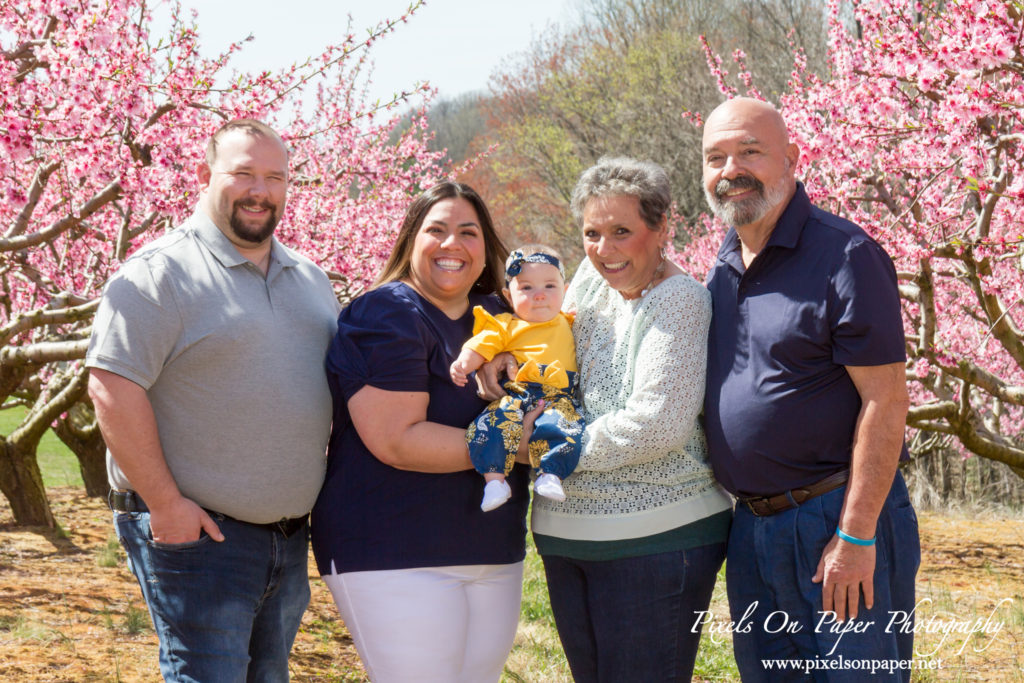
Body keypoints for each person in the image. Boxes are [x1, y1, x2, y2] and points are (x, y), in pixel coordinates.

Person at [86, 119, 340, 681]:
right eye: (243, 173)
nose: (261, 190)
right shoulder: (160, 273)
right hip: (199, 540)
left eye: (275, 177)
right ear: (204, 175)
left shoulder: (311, 280)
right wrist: (167, 504)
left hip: (288, 538)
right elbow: (111, 386)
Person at [480, 157, 733, 682]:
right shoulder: (589, 285)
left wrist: (537, 448)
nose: (604, 249)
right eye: (592, 233)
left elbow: (656, 424)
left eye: (622, 231)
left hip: (657, 537)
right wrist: (507, 353)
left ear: (661, 227)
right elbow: (552, 347)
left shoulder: (680, 302)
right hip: (567, 533)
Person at [701, 97, 920, 680]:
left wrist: (855, 534)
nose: (731, 170)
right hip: (750, 530)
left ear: (793, 160)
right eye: (715, 157)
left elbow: (887, 399)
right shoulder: (720, 267)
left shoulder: (845, 255)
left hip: (833, 519)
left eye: (750, 151)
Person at [311, 181, 531, 683]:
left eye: (468, 232)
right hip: (393, 550)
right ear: (411, 238)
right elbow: (398, 440)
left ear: (486, 247)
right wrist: (514, 448)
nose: (452, 244)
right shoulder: (387, 314)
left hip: (493, 549)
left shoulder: (499, 318)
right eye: (437, 230)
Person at [450, 244, 584, 511]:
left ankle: (551, 474)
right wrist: (464, 363)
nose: (539, 296)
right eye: (526, 288)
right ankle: (494, 481)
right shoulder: (507, 324)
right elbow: (481, 344)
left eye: (549, 286)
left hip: (558, 396)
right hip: (517, 393)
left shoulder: (568, 323)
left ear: (565, 291)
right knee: (491, 424)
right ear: (508, 296)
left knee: (563, 425)